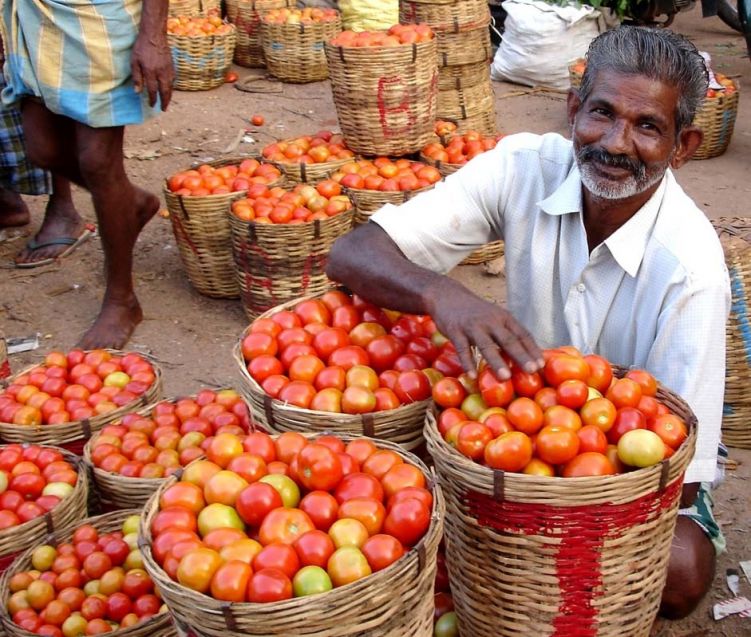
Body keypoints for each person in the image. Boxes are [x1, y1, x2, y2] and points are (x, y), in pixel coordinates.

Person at [327, 26, 729, 619]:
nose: (617, 143)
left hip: (611, 472)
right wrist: (441, 293)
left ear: (684, 145)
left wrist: (544, 500)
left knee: (681, 570)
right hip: (502, 432)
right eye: (601, 113)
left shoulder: (690, 271)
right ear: (573, 110)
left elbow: (679, 477)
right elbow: (352, 253)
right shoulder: (521, 169)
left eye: (648, 127)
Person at [0, 0, 174, 346]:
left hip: (97, 20)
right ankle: (130, 203)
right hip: (35, 18)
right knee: (41, 149)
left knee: (98, 162)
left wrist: (153, 35)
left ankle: (122, 299)